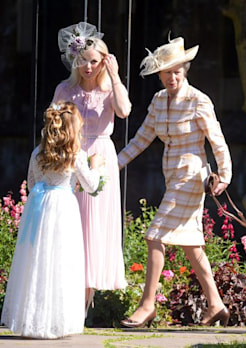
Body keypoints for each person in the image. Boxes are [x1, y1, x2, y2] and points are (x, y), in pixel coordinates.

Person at [118, 35, 232, 328]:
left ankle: (147, 305)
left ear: (185, 69)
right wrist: (113, 165)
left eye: (177, 70)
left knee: (154, 235)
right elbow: (142, 138)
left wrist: (225, 176)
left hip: (193, 175)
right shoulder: (158, 101)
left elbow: (217, 142)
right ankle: (216, 304)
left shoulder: (198, 100)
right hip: (172, 174)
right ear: (159, 74)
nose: (172, 77)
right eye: (167, 72)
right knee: (191, 245)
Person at [1, 101, 103, 338]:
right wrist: (95, 166)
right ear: (73, 127)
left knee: (36, 261)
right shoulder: (76, 155)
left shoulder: (37, 153)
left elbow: (33, 181)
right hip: (63, 210)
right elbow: (91, 185)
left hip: (39, 208)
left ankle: (31, 321)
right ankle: (57, 322)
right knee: (61, 261)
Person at [53, 22, 131, 313]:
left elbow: (124, 111)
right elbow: (54, 125)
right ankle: (67, 296)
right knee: (70, 223)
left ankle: (86, 300)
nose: (88, 67)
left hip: (100, 154)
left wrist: (114, 75)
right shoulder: (65, 88)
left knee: (94, 226)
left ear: (103, 62)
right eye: (84, 60)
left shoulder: (110, 88)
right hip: (71, 156)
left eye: (94, 61)